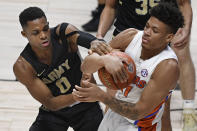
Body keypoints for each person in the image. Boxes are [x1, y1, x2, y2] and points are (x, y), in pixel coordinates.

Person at [73, 3, 183, 131]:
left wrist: (101, 96)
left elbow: (138, 112)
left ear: (168, 37)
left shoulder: (168, 66)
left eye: (155, 30)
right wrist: (103, 60)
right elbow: (86, 66)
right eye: (147, 26)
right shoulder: (131, 36)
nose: (147, 32)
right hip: (114, 114)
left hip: (139, 125)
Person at [96, 0, 196, 130]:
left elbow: (184, 4)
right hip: (126, 36)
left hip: (158, 37)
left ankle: (189, 111)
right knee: (112, 99)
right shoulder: (130, 36)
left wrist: (186, 28)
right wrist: (99, 36)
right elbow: (110, 6)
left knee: (162, 110)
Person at [13, 6, 111, 131]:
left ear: (48, 25)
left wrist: (94, 43)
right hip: (54, 112)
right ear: (24, 34)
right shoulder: (23, 66)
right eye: (36, 32)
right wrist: (79, 95)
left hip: (86, 106)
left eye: (45, 29)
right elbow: (51, 102)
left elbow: (87, 40)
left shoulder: (62, 33)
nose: (43, 35)